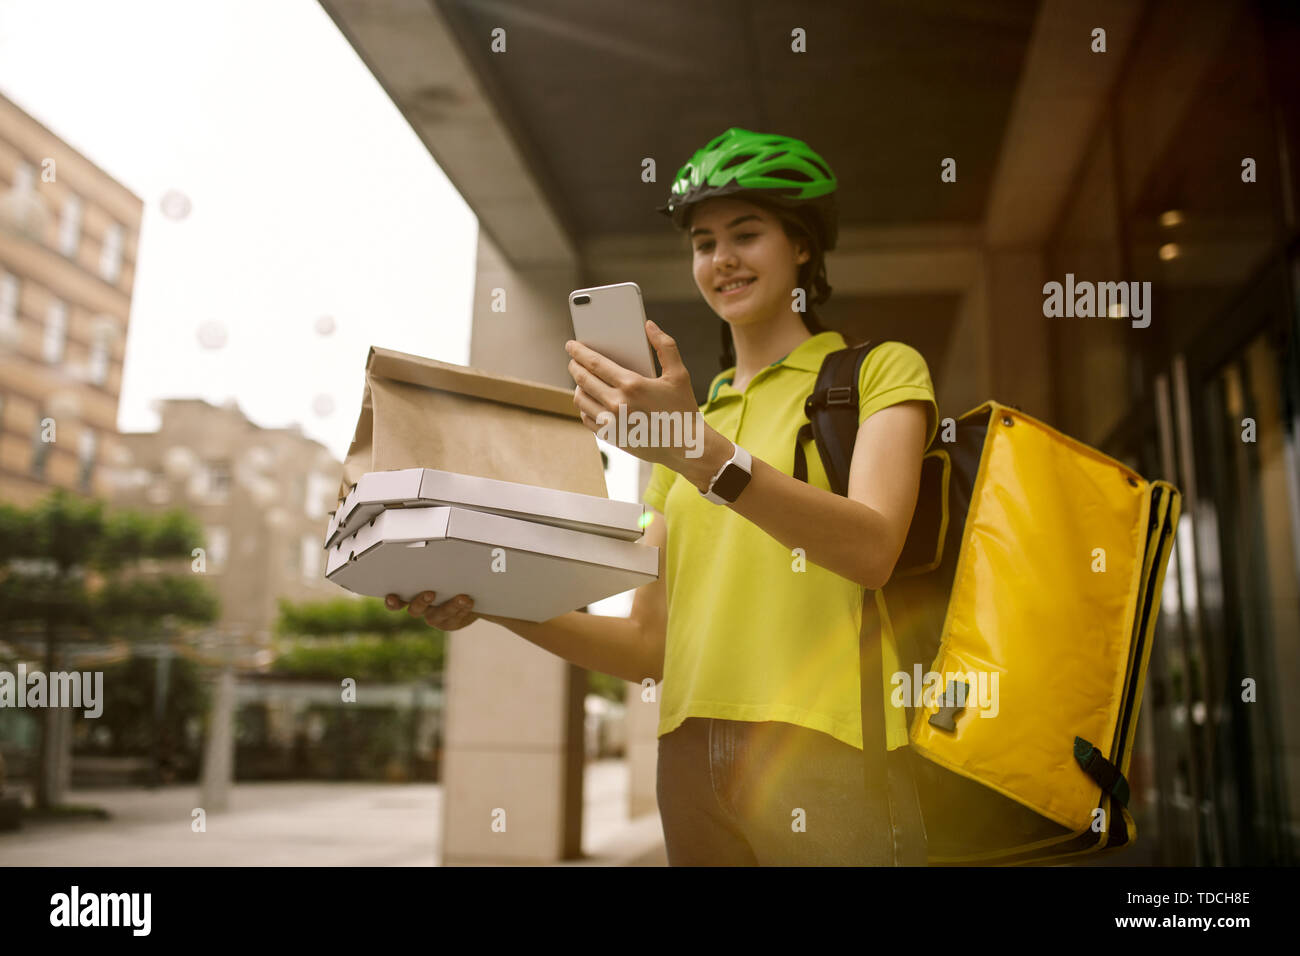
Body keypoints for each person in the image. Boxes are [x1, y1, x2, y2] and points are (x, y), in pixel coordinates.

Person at [386, 127, 937, 865]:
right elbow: (649, 646)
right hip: (688, 756)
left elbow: (872, 549)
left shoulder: (877, 373)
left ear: (803, 246)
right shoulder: (685, 432)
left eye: (747, 233)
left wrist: (699, 453)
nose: (721, 259)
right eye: (704, 243)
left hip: (831, 751)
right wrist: (486, 598)